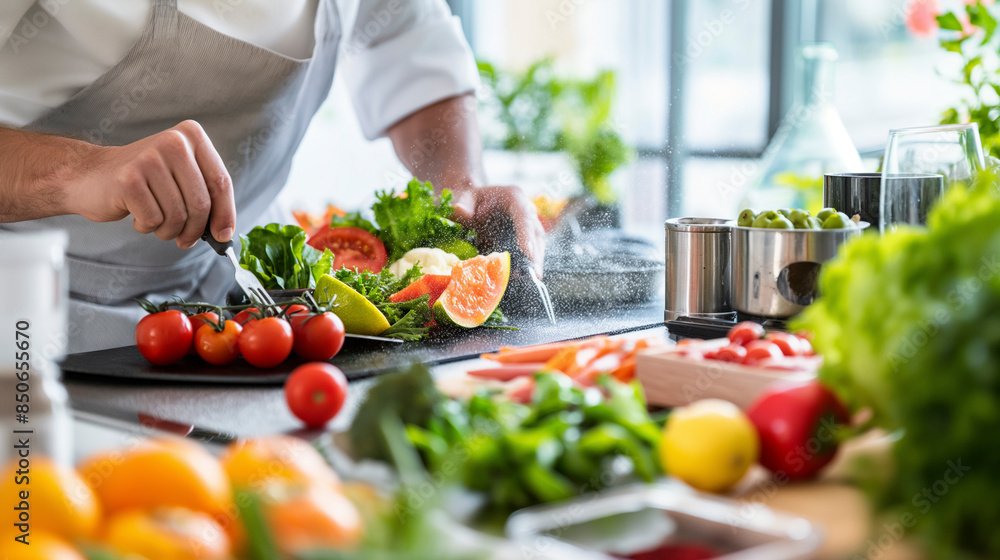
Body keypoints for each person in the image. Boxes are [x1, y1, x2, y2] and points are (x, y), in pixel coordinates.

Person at [0, 0, 545, 353]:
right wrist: (81, 170)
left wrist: (461, 182)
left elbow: (403, 40)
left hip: (254, 310)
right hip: (31, 326)